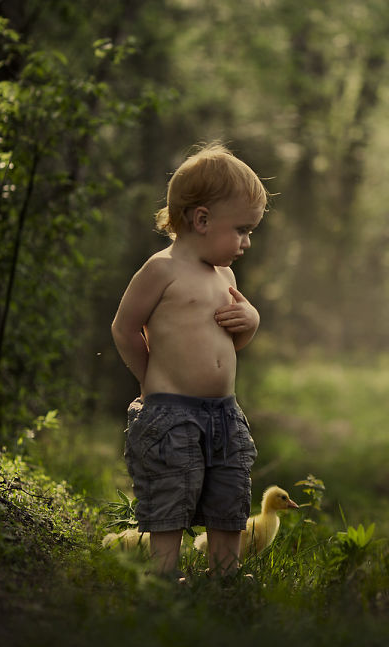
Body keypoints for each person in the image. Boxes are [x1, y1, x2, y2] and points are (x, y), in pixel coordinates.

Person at [111, 142, 269, 579]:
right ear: (201, 220)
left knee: (228, 488)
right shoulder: (161, 270)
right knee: (171, 490)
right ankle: (165, 574)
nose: (247, 242)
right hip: (170, 413)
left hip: (224, 412)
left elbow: (226, 346)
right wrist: (150, 381)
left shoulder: (226, 276)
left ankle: (225, 574)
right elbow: (124, 328)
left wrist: (250, 321)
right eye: (241, 229)